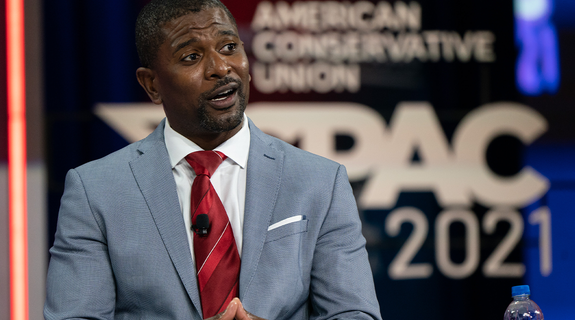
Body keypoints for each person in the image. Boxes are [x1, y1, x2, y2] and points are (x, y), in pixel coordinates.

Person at [44, 0, 382, 319]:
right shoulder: (96, 192)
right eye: (191, 57)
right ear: (151, 84)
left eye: (229, 47)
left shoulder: (320, 181)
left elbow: (354, 313)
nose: (221, 68)